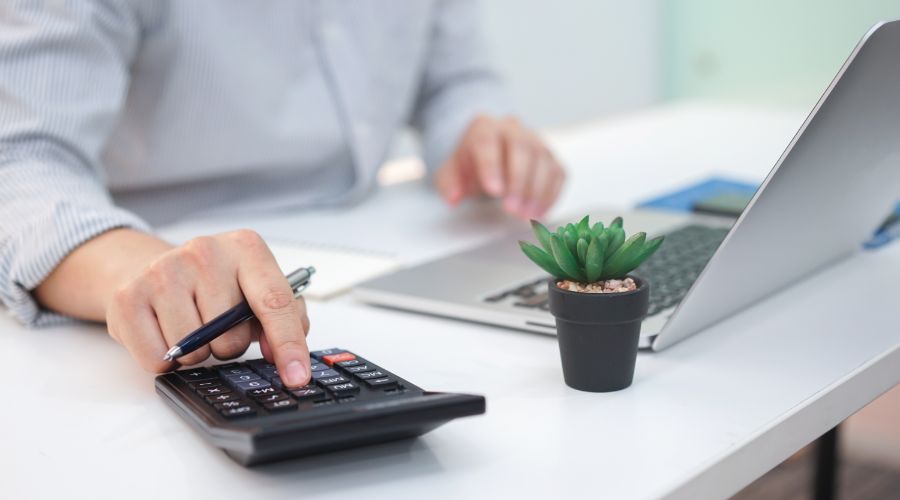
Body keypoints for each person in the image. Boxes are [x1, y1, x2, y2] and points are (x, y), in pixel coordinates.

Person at [0, 1, 565, 388]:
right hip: (159, 266)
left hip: (393, 244)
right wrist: (147, 271)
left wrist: (474, 133)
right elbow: (19, 161)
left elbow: (456, 80)